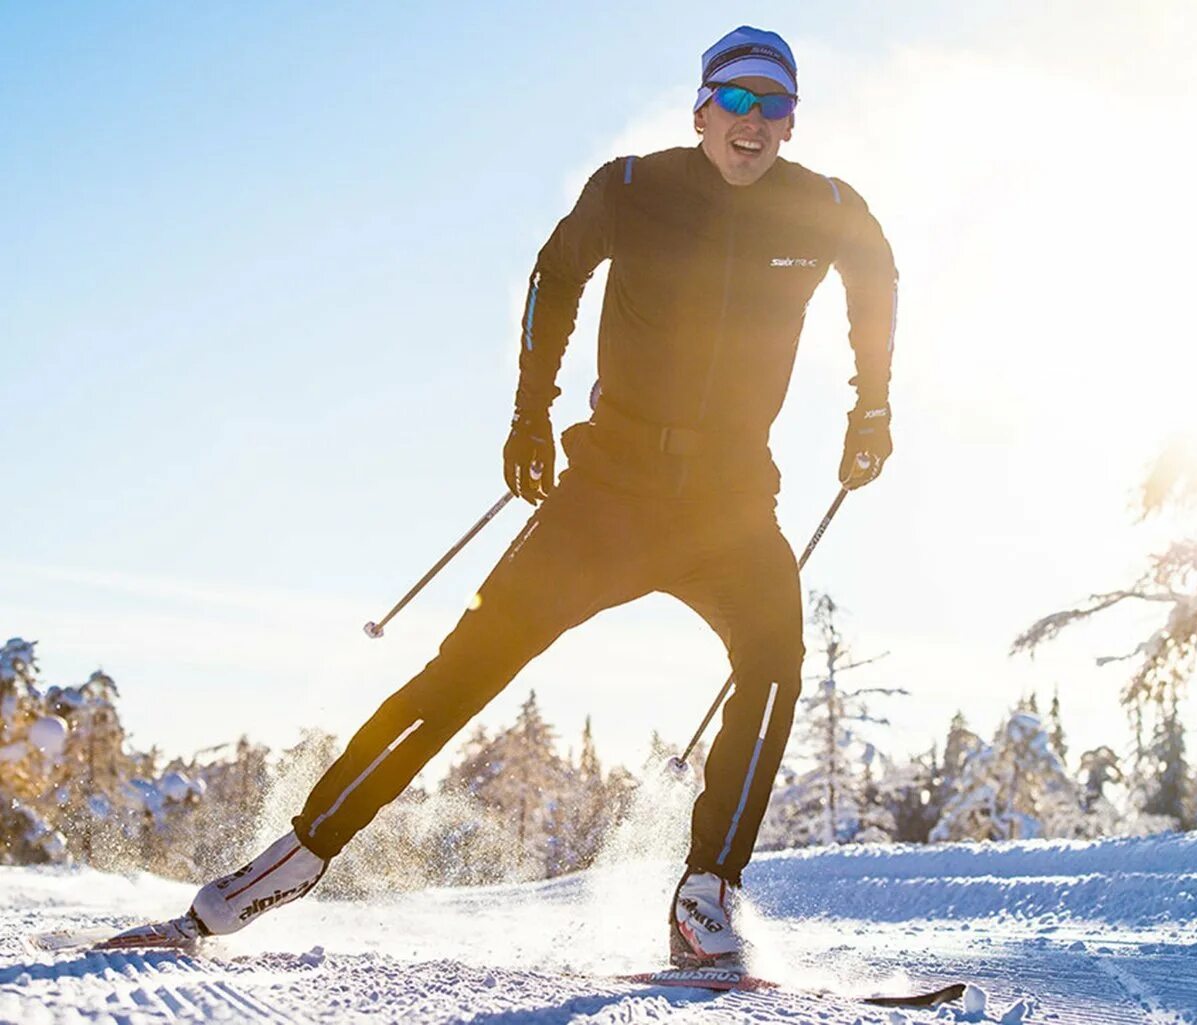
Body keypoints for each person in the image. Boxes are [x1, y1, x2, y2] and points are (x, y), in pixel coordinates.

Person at [130, 26, 897, 968]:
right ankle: (295, 856)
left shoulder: (821, 207)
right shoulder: (631, 188)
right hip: (611, 490)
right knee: (464, 671)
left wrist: (874, 403)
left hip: (732, 504)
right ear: (700, 109)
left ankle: (706, 893)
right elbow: (556, 274)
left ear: (790, 122)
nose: (752, 122)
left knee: (776, 661)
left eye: (772, 105)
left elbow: (877, 274)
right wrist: (530, 413)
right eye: (735, 100)